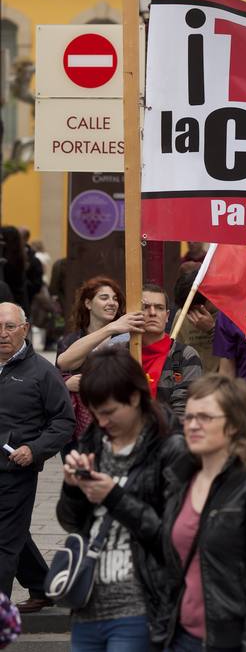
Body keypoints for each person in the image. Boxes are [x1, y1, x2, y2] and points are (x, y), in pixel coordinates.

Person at [57, 345, 184, 651]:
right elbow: (71, 522)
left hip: (139, 606)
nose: (102, 422)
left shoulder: (169, 448)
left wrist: (114, 497)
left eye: (110, 412)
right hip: (87, 605)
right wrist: (73, 487)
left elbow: (172, 537)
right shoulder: (94, 440)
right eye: (96, 412)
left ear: (136, 397)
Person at [160, 374, 246, 651]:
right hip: (181, 638)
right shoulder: (180, 479)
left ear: (232, 424)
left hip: (237, 640)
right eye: (189, 417)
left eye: (205, 417)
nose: (192, 425)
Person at [0, 302, 74, 612]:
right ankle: (43, 586)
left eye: (9, 327)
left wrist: (36, 449)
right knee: (13, 531)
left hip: (15, 468)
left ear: (25, 329)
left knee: (3, 541)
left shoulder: (42, 372)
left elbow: (64, 421)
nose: (2, 334)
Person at [56, 277, 137, 446]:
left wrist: (113, 329)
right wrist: (66, 383)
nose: (112, 303)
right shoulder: (70, 340)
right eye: (104, 297)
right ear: (88, 304)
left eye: (115, 299)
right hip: (76, 423)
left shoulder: (127, 339)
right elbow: (61, 366)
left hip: (114, 417)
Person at [110, 284, 203, 420]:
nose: (152, 313)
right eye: (145, 307)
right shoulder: (118, 353)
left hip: (168, 434)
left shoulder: (183, 355)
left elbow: (184, 408)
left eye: (159, 308)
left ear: (167, 316)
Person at [173, 268, 219, 373]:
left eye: (195, 309)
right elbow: (176, 356)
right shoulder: (182, 315)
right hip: (190, 383)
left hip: (220, 383)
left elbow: (237, 354)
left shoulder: (228, 316)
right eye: (187, 310)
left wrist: (213, 330)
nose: (193, 315)